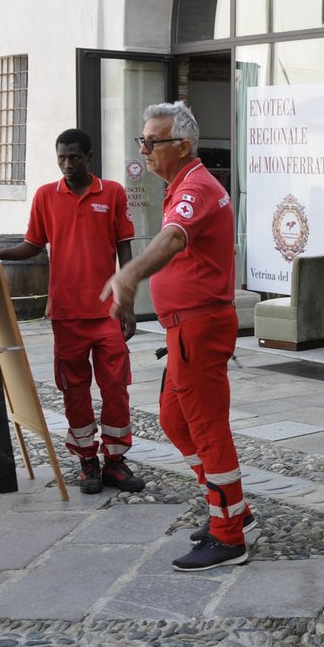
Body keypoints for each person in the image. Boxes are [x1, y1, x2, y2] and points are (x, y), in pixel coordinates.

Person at [101, 102, 253, 572]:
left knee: (207, 428)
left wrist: (127, 277)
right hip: (184, 327)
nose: (143, 149)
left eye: (152, 141)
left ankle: (229, 536)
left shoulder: (196, 187)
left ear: (182, 146)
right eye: (141, 141)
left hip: (199, 327)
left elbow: (170, 240)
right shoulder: (181, 186)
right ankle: (231, 510)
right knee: (175, 420)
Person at [0, 129, 144, 496]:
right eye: (61, 157)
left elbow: (125, 248)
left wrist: (127, 302)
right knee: (74, 392)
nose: (67, 164)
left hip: (107, 312)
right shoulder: (46, 195)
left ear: (88, 156)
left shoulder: (112, 193)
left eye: (74, 157)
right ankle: (86, 462)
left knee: (116, 389)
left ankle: (115, 462)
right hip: (65, 315)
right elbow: (32, 245)